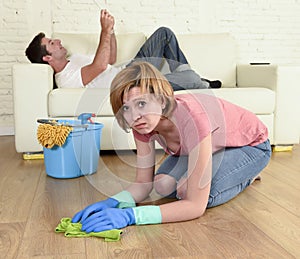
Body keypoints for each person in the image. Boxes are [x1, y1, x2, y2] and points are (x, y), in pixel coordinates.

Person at [71, 61, 271, 233]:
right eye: (126, 108)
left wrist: (132, 216)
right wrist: (113, 202)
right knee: (163, 185)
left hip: (250, 146)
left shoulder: (194, 118)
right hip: (208, 147)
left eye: (141, 104)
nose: (134, 116)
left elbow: (195, 206)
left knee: (188, 192)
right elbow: (143, 183)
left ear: (160, 99)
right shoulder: (141, 124)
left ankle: (248, 175)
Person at [25, 9, 221, 91]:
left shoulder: (74, 58)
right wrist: (104, 30)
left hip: (131, 68)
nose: (57, 41)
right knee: (193, 81)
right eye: (52, 43)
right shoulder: (65, 78)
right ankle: (199, 83)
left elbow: (109, 59)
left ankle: (191, 77)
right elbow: (100, 66)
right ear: (47, 58)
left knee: (164, 34)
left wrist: (112, 31)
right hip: (133, 84)